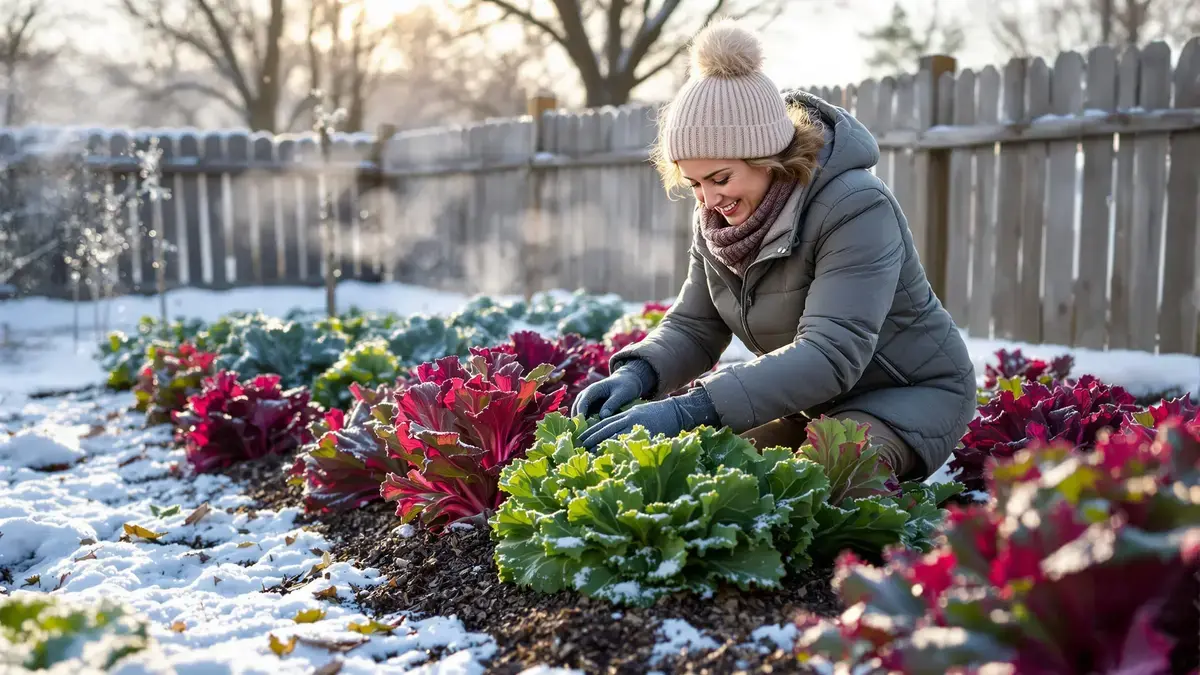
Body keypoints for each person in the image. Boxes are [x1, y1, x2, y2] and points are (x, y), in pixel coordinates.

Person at [571, 17, 977, 481]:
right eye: (695, 183)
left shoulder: (855, 206)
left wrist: (691, 408)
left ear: (769, 158)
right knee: (711, 474)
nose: (709, 199)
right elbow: (695, 325)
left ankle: (896, 550)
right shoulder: (720, 218)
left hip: (909, 396)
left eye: (721, 178)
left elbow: (830, 354)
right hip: (812, 403)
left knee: (826, 477)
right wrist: (639, 374)